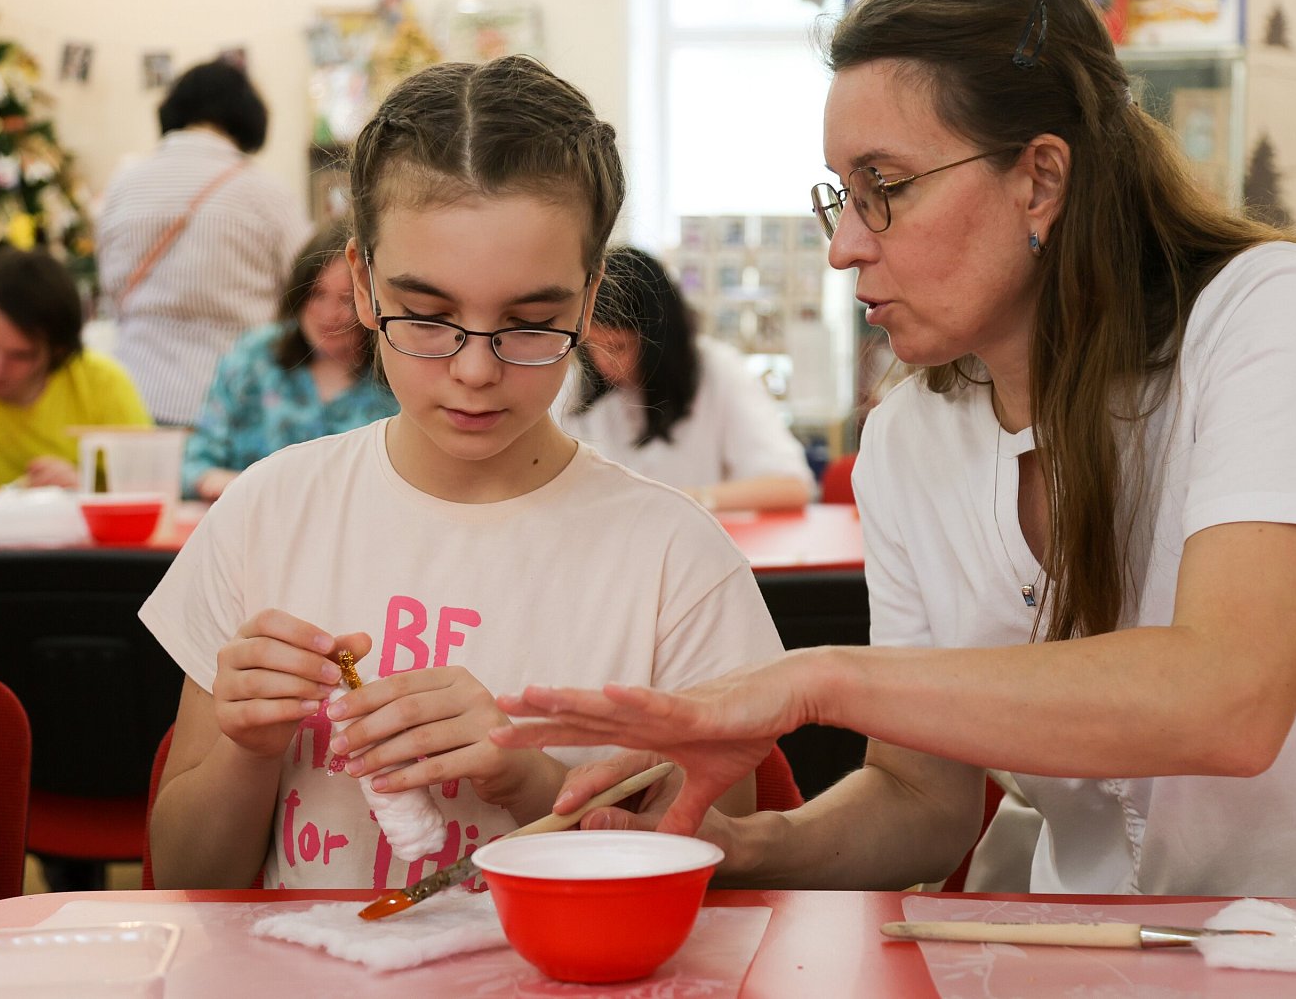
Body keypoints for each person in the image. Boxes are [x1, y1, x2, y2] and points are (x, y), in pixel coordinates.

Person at [493, 0, 1296, 898]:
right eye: (839, 195)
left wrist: (819, 678)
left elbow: (1228, 697)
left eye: (884, 187)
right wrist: (741, 843)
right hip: (1123, 952)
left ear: (1039, 178)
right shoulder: (910, 440)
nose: (844, 244)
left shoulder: (1268, 314)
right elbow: (921, 800)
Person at [141, 55, 784, 890]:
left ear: (590, 299)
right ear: (364, 285)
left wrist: (531, 781)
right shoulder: (267, 512)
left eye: (530, 322)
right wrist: (248, 749)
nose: (475, 371)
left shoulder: (677, 562)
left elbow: (719, 887)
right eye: (427, 315)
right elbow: (185, 877)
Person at [97, 60, 309, 426]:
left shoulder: (123, 186)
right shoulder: (267, 194)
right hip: (235, 398)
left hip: (134, 393)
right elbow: (305, 285)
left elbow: (110, 288)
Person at [560, 246, 813, 512]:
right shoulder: (575, 383)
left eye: (618, 347)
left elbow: (791, 486)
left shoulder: (717, 370)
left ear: (657, 338)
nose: (603, 363)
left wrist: (685, 502)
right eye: (593, 347)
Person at [181, 224, 398, 501]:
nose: (330, 314)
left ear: (371, 302)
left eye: (347, 300)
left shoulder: (395, 374)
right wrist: (228, 485)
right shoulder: (256, 356)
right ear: (298, 293)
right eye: (317, 294)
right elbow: (194, 465)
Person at [0, 246, 150, 493]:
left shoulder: (102, 384)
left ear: (58, 351)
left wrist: (85, 489)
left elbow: (149, 485)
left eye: (20, 356)